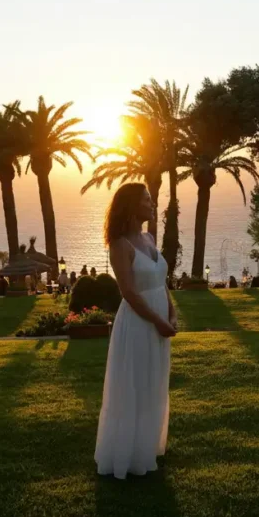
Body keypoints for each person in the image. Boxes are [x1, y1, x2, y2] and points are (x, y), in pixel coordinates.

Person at [95, 182, 176, 480]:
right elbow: (128, 292)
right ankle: (128, 452)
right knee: (135, 382)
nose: (152, 204)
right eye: (146, 200)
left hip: (158, 317)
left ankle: (148, 444)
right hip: (139, 321)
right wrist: (157, 320)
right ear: (131, 206)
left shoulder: (149, 237)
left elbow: (160, 281)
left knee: (154, 380)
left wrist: (172, 310)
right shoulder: (120, 245)